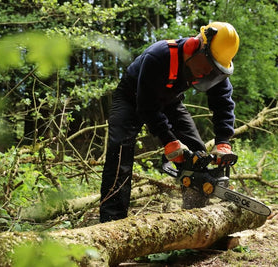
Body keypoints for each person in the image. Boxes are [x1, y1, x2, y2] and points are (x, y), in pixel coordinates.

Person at [100, 22, 240, 223]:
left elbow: (223, 102)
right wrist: (169, 140)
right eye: (207, 65)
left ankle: (196, 218)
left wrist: (223, 141)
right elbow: (147, 106)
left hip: (169, 100)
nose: (207, 72)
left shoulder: (213, 66)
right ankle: (111, 222)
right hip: (132, 98)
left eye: (214, 69)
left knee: (197, 154)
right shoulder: (158, 56)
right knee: (119, 152)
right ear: (194, 47)